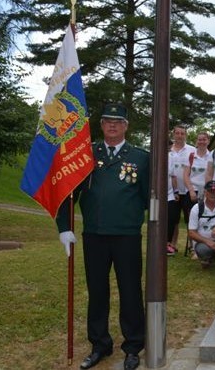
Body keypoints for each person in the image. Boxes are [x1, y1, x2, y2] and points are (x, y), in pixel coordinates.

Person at [56, 103, 148, 370]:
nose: (112, 125)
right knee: (97, 292)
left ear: (126, 126)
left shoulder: (141, 157)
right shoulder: (85, 155)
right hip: (94, 235)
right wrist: (64, 226)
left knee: (130, 291)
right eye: (107, 120)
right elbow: (68, 191)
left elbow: (144, 197)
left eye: (118, 121)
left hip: (126, 235)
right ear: (101, 125)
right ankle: (100, 345)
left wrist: (129, 217)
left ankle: (132, 347)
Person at [168, 125, 196, 253]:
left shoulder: (192, 150)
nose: (179, 135)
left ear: (186, 135)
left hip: (187, 190)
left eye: (182, 133)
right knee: (173, 219)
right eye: (177, 133)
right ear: (173, 134)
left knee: (190, 218)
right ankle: (172, 245)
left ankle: (192, 245)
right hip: (172, 192)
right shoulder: (168, 150)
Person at [182, 132, 210, 220]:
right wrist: (191, 191)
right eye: (199, 139)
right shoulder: (191, 156)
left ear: (208, 141)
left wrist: (208, 192)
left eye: (204, 139)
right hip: (192, 193)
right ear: (196, 141)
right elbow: (186, 175)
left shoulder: (212, 156)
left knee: (204, 219)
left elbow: (212, 175)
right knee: (191, 221)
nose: (202, 142)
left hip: (207, 192)